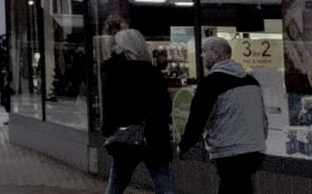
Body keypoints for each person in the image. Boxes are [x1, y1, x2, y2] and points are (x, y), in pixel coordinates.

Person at [179, 36, 267, 194]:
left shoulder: (211, 83)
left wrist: (184, 145)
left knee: (231, 187)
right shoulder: (251, 81)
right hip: (255, 147)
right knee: (242, 186)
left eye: (204, 51)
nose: (201, 55)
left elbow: (198, 119)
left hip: (230, 150)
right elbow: (263, 118)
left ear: (217, 55)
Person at [101, 29, 174, 194]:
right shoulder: (152, 71)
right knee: (162, 181)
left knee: (117, 181)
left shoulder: (114, 71)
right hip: (154, 134)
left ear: (122, 47)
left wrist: (108, 129)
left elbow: (109, 105)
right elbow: (164, 104)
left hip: (125, 134)